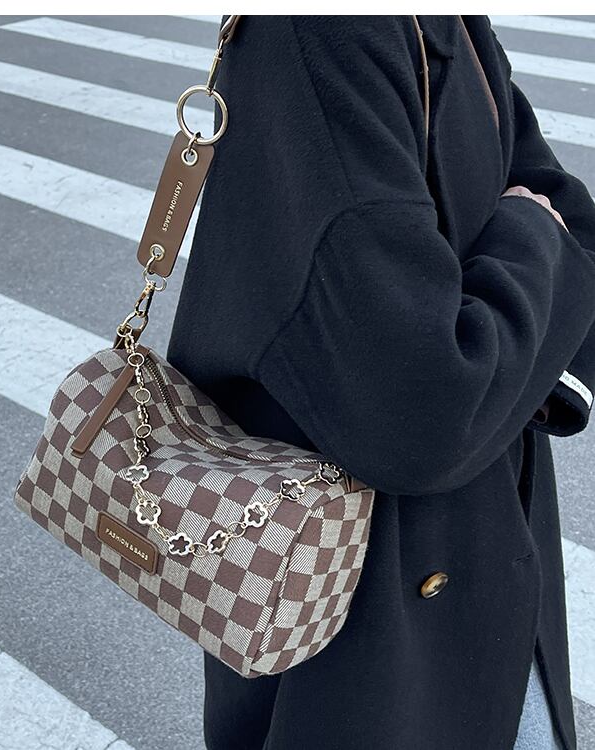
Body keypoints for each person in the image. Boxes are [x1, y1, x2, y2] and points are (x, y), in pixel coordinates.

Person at [166, 15, 595, 750]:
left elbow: (564, 205)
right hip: (354, 586)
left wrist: (532, 242)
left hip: (479, 549)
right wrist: (530, 234)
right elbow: (425, 413)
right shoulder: (328, 32)